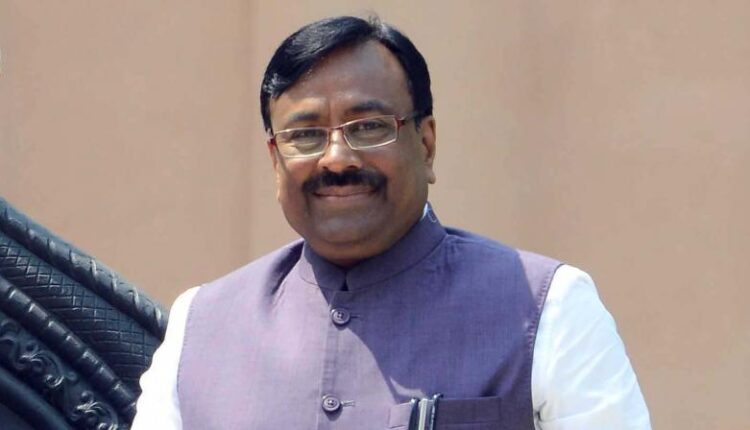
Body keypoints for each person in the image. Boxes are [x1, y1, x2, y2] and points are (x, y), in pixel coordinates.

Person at [132, 16, 651, 430]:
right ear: (275, 160)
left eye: (368, 127)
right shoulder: (201, 325)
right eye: (305, 135)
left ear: (426, 144)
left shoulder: (548, 306)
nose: (336, 159)